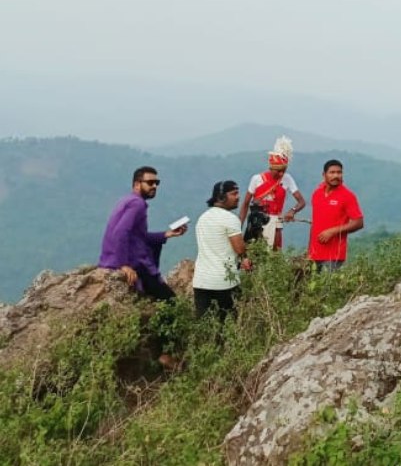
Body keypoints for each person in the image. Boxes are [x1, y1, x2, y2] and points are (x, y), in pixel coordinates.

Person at [98, 166, 187, 369]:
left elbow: (138, 237)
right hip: (135, 262)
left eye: (157, 182)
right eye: (150, 182)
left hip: (126, 259)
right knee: (171, 301)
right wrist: (123, 265)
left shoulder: (129, 201)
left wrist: (167, 234)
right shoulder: (137, 204)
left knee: (161, 299)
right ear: (137, 184)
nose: (154, 186)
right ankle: (166, 354)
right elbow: (121, 233)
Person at [239, 136, 306, 250]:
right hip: (256, 222)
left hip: (276, 223)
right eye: (278, 170)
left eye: (283, 171)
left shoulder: (287, 179)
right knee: (254, 255)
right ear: (271, 168)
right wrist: (239, 226)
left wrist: (292, 211)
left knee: (274, 254)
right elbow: (246, 204)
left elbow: (301, 202)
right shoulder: (257, 179)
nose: (281, 174)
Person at [193, 180, 247, 321]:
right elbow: (239, 249)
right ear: (222, 197)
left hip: (201, 282)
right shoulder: (230, 219)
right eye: (233, 194)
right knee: (228, 326)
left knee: (206, 328)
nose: (238, 197)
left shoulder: (202, 218)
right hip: (224, 283)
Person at [309, 160, 364, 272]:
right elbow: (314, 223)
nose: (336, 176)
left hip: (334, 254)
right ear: (324, 175)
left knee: (329, 287)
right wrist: (309, 250)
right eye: (332, 172)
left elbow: (359, 222)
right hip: (314, 253)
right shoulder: (317, 193)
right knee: (311, 286)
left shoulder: (347, 196)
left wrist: (332, 231)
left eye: (339, 172)